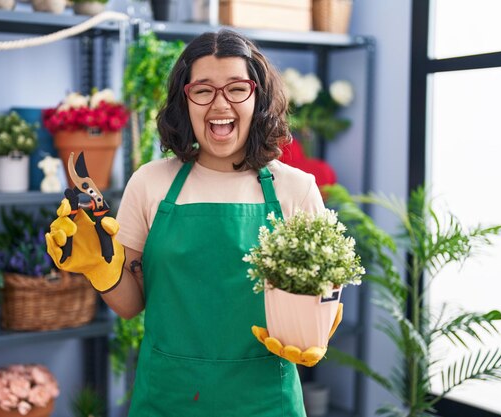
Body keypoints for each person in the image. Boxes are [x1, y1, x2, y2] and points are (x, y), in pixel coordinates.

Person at [46, 29, 325, 417]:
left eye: (236, 88)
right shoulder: (150, 182)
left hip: (264, 401)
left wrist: (314, 332)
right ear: (185, 99)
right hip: (168, 397)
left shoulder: (296, 189)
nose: (219, 103)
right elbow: (130, 305)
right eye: (203, 90)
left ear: (257, 96)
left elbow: (315, 306)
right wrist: (99, 269)